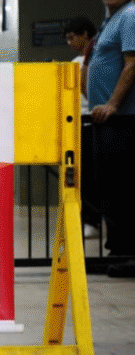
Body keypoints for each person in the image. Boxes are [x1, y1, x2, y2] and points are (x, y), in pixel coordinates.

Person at [87, 0, 135, 276]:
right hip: (104, 119)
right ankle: (117, 249)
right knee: (108, 189)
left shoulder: (130, 16)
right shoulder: (110, 20)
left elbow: (131, 65)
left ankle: (128, 253)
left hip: (122, 119)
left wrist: (114, 104)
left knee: (123, 189)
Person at [63, 17, 102, 238]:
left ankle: (92, 220)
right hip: (82, 121)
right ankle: (90, 219)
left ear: (85, 35)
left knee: (87, 176)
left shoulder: (82, 63)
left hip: (86, 121)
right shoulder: (82, 62)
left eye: (72, 37)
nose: (69, 42)